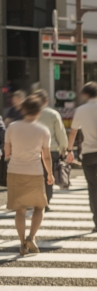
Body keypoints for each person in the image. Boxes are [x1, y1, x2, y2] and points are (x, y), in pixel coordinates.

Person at [4, 95, 53, 256]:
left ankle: (21, 243)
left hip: (15, 171)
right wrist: (50, 174)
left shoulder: (12, 127)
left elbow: (7, 152)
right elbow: (46, 156)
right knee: (39, 207)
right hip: (35, 172)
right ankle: (31, 237)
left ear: (23, 109)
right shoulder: (43, 130)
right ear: (39, 111)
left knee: (20, 210)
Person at [66, 82, 97, 232]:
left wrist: (69, 150)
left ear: (85, 94)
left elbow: (73, 132)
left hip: (88, 152)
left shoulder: (80, 110)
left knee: (92, 188)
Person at [32, 90, 69, 210]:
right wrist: (64, 147)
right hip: (51, 148)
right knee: (48, 175)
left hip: (33, 150)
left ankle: (35, 200)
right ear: (46, 101)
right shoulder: (53, 114)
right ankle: (46, 201)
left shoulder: (30, 114)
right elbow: (60, 132)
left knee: (36, 176)